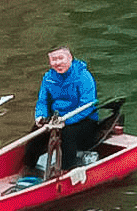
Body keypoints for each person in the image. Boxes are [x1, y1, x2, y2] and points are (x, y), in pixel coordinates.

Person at [23, 47, 100, 183]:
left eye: (61, 58)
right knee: (35, 134)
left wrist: (66, 121)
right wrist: (40, 116)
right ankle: (29, 168)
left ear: (70, 58)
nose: (57, 63)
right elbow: (42, 101)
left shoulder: (83, 76)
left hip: (82, 119)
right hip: (56, 118)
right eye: (53, 59)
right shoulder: (48, 78)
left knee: (68, 135)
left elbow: (86, 105)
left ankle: (66, 169)